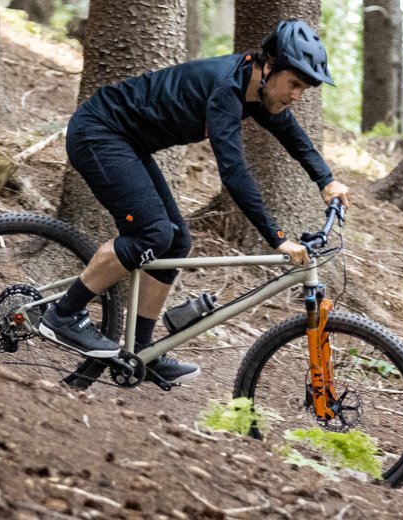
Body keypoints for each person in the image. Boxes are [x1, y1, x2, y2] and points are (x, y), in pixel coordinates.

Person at [39, 19, 350, 384]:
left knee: (176, 240)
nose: (297, 95)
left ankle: (142, 349)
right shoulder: (227, 90)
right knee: (151, 233)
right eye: (294, 84)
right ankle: (63, 315)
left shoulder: (258, 90)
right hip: (98, 133)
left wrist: (326, 180)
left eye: (305, 89)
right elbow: (234, 173)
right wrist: (277, 236)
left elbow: (293, 135)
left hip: (127, 143)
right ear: (269, 67)